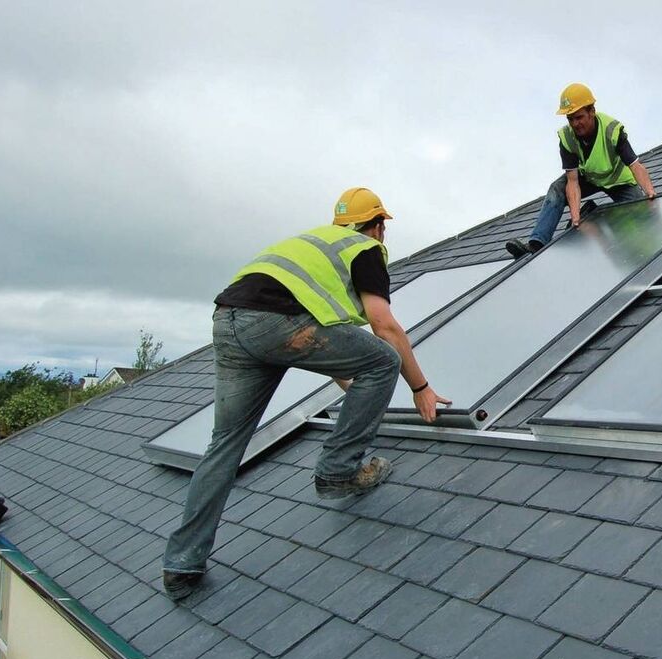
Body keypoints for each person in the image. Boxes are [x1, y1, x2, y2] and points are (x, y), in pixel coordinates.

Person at [161, 187, 449, 600]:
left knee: (224, 444)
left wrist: (357, 389)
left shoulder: (315, 244)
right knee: (385, 359)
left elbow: (320, 334)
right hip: (274, 324)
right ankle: (337, 471)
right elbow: (383, 325)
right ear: (377, 226)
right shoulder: (365, 248)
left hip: (228, 322)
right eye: (382, 227)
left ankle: (182, 564)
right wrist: (420, 388)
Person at [505, 83, 657, 258]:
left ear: (592, 111)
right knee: (556, 189)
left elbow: (635, 165)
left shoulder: (612, 130)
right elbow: (572, 181)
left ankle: (592, 214)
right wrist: (576, 218)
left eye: (579, 117)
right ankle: (536, 243)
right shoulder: (567, 137)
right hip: (589, 178)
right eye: (570, 119)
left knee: (642, 215)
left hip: (618, 182)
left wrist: (650, 192)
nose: (575, 124)